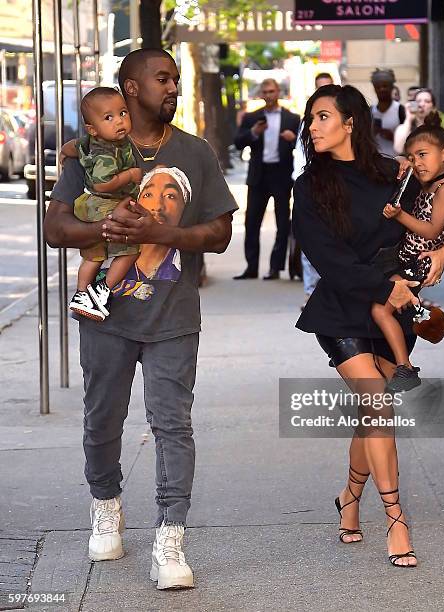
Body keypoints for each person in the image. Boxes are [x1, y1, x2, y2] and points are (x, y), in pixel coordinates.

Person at [43, 48, 238, 590]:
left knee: (173, 423)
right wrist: (110, 233)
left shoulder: (194, 153)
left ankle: (170, 540)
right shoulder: (91, 152)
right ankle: (105, 502)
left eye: (176, 79)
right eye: (162, 79)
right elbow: (56, 229)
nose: (172, 87)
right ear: (130, 87)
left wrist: (161, 235)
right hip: (105, 316)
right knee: (102, 417)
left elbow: (219, 234)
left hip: (174, 316)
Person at [292, 84, 444, 567]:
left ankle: (349, 498)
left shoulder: (396, 173)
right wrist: (381, 286)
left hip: (396, 312)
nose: (313, 125)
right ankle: (396, 518)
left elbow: (442, 218)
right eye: (311, 117)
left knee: (372, 416)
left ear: (350, 123)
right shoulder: (308, 187)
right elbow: (327, 258)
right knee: (379, 407)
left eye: (323, 116)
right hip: (344, 307)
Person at [374, 113, 444, 391]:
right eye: (412, 157)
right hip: (405, 256)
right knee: (386, 304)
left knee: (381, 310)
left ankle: (405, 367)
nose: (417, 163)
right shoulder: (429, 185)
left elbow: (433, 231)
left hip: (418, 261)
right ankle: (421, 315)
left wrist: (399, 216)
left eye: (423, 154)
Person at [60, 88, 142, 321]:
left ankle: (80, 295)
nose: (119, 121)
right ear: (93, 129)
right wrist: (130, 175)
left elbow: (70, 147)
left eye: (123, 113)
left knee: (93, 257)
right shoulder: (107, 152)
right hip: (104, 202)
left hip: (89, 203)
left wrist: (63, 155)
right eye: (109, 118)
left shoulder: (88, 141)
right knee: (130, 251)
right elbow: (103, 184)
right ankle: (101, 291)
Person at [233, 78, 300, 280]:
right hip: (258, 176)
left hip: (281, 175)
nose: (269, 95)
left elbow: (306, 144)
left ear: (278, 92)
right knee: (252, 222)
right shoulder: (252, 117)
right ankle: (251, 267)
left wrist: (293, 138)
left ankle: (275, 267)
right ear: (261, 94)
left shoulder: (292, 118)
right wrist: (253, 132)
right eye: (265, 92)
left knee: (282, 223)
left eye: (272, 91)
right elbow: (237, 142)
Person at [292, 72, 334, 309]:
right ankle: (311, 293)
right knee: (309, 243)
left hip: (337, 187)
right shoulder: (308, 122)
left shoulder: (346, 120)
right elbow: (300, 154)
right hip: (312, 186)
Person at [393, 88, 444, 155]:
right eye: (418, 101)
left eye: (427, 101)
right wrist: (409, 118)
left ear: (433, 107)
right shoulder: (404, 128)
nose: (422, 104)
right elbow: (398, 149)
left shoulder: (439, 130)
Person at [370, 68, 405, 157]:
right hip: (375, 161)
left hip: (396, 161)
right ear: (374, 89)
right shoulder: (370, 111)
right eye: (378, 87)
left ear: (391, 87)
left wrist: (393, 137)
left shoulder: (400, 110)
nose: (382, 89)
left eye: (385, 86)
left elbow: (409, 139)